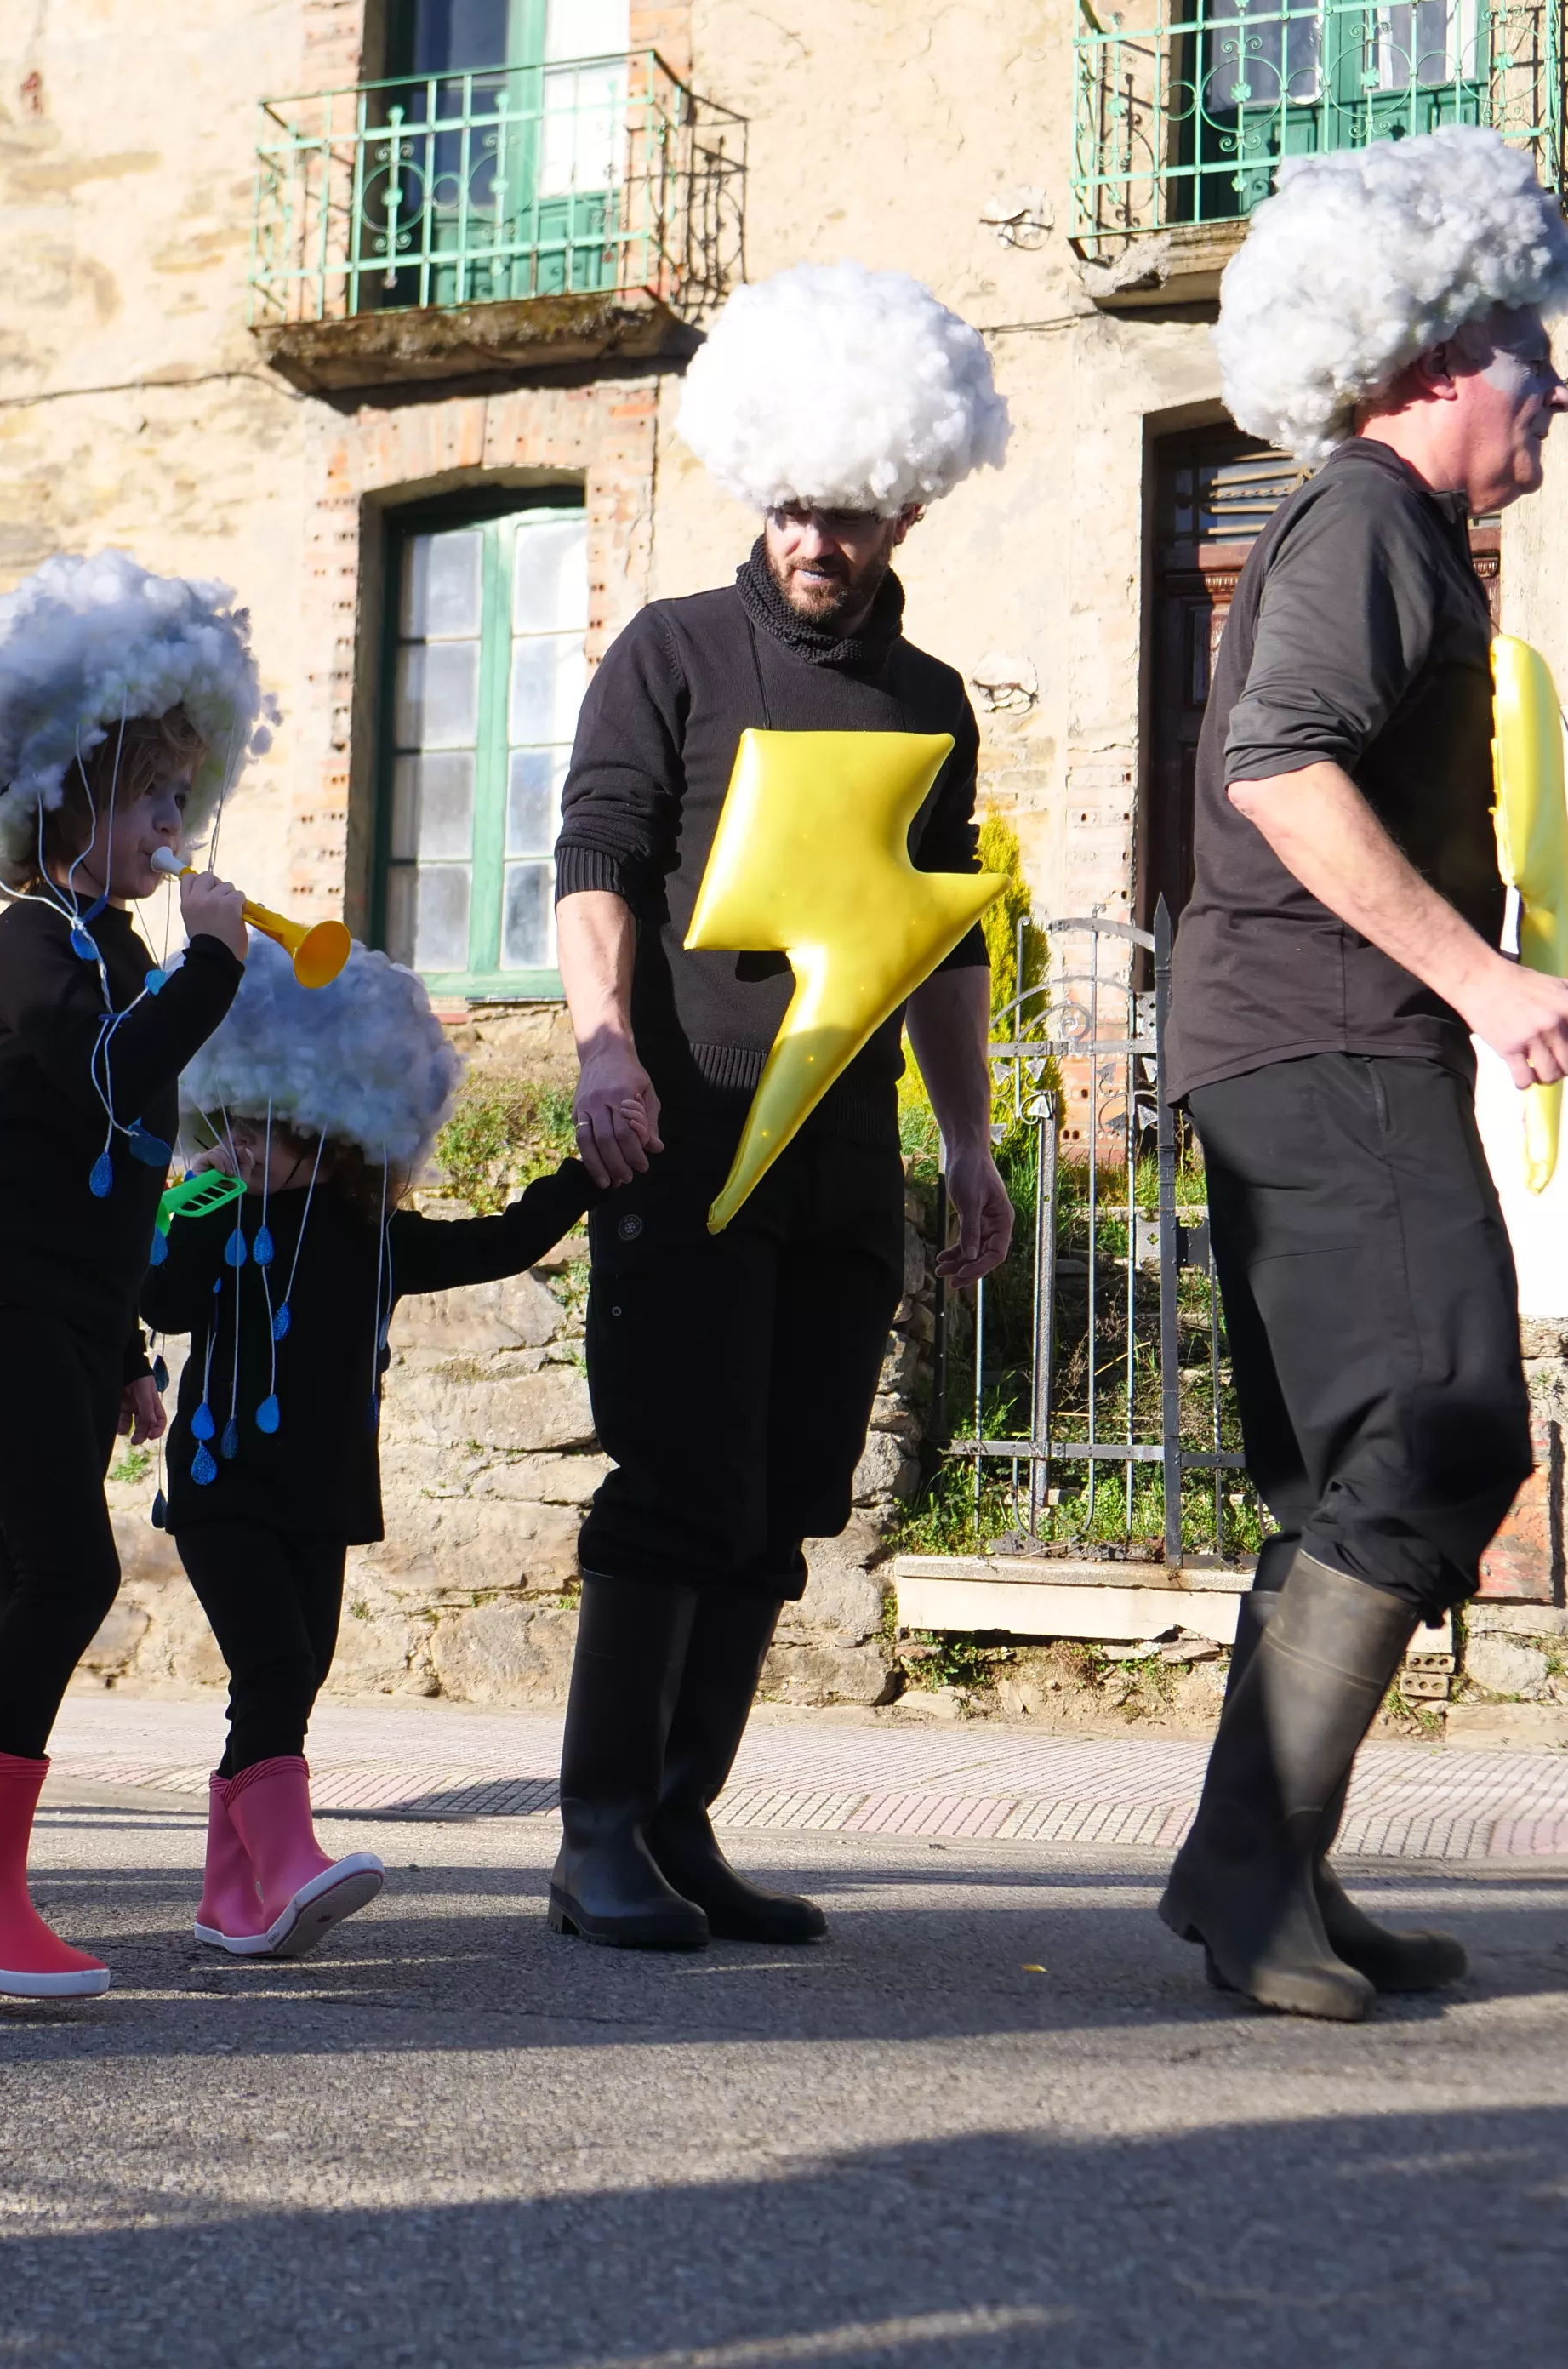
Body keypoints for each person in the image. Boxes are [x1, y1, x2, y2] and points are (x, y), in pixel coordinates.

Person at [1160, 128, 1568, 2021]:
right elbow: (1278, 766)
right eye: (1525, 348)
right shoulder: (1357, 518)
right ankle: (1240, 1870)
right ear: (1428, 354)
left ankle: (1269, 1880)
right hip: (1317, 1035)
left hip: (1326, 1041)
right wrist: (1485, 979)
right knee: (1439, 1421)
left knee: (1362, 1456)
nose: (1551, 381)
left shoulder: (1399, 531)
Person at [548, 262, 1016, 1950]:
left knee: (775, 1507)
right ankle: (591, 1832)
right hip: (679, 1141)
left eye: (856, 512)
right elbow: (595, 854)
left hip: (839, 1155)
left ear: (909, 503)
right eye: (797, 507)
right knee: (670, 1486)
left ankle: (679, 1826)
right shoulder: (669, 654)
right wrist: (603, 1047)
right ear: (761, 491)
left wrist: (962, 1143)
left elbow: (942, 949)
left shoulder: (931, 704)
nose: (822, 538)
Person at [0, 552, 269, 1999]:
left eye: (182, 802)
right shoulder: (32, 939)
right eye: (155, 799)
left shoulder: (111, 939)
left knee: (7, 1587)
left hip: (64, 1312)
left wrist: (130, 1354)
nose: (174, 827)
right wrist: (209, 968)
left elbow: (129, 1180)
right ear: (74, 793)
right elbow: (106, 1080)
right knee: (70, 1569)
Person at [144, 939, 590, 1956]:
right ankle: (290, 1862)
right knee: (275, 1660)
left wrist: (582, 1176)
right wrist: (199, 1196)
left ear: (327, 1124)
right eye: (232, 1122)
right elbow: (158, 1300)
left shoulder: (372, 1233)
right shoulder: (214, 1216)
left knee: (290, 1680)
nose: (244, 1141)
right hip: (220, 1489)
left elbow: (501, 1243)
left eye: (267, 1126)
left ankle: (228, 1899)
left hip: (320, 1490)